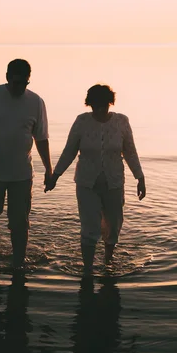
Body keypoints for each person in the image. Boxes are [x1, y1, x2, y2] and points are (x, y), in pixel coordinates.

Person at [45, 84, 146, 275]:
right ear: (90, 104)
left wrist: (140, 177)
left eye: (104, 105)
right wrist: (55, 176)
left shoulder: (122, 122)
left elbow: (130, 152)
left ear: (110, 103)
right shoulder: (81, 122)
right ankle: (88, 270)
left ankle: (108, 262)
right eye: (95, 105)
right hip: (86, 183)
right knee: (90, 228)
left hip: (114, 182)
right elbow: (69, 151)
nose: (100, 110)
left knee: (114, 225)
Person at [0, 59, 52, 268]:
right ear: (7, 78)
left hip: (21, 175)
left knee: (19, 222)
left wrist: (49, 170)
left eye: (24, 84)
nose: (19, 88)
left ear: (28, 81)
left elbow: (41, 139)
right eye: (15, 83)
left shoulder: (36, 102)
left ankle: (18, 262)